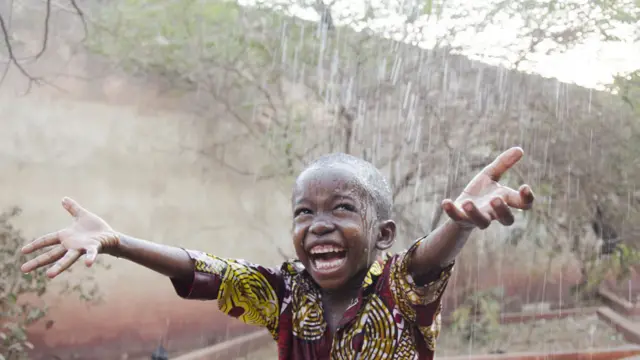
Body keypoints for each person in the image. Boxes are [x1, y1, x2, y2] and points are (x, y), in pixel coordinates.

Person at [20, 147, 534, 359]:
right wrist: (117, 241)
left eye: (341, 209)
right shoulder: (286, 292)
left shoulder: (401, 287)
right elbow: (207, 270)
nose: (319, 225)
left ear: (382, 235)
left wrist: (459, 222)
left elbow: (430, 259)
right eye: (304, 213)